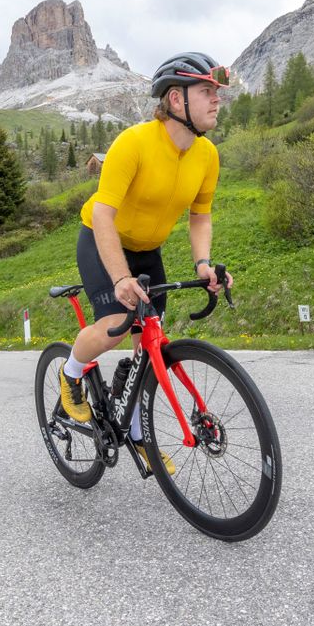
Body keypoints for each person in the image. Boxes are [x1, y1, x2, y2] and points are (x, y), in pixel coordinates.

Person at [59, 51, 233, 475]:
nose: (217, 100)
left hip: (148, 249)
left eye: (218, 93)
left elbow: (200, 215)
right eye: (207, 91)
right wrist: (119, 277)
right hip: (104, 239)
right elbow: (103, 214)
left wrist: (203, 264)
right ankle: (71, 374)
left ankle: (136, 433)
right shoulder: (134, 143)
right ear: (177, 100)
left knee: (148, 343)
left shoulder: (207, 155)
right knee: (116, 326)